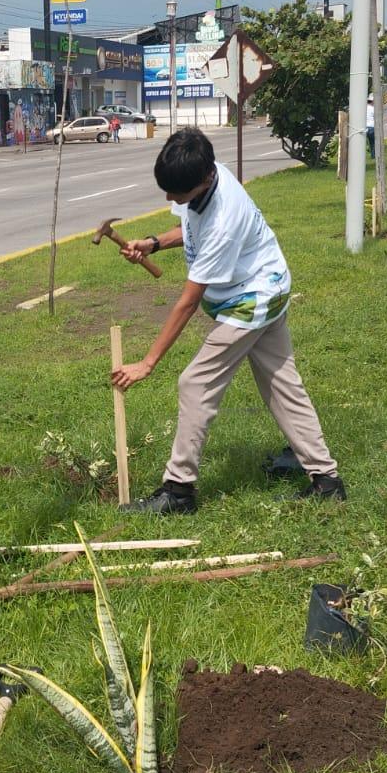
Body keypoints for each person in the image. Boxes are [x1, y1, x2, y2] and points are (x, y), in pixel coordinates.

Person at [110, 127, 345, 514]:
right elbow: (188, 229)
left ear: (203, 181)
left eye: (177, 194)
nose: (170, 199)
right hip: (270, 285)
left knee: (194, 382)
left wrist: (147, 363)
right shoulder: (202, 174)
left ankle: (178, 491)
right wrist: (151, 243)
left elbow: (187, 302)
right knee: (283, 385)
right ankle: (327, 480)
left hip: (252, 301)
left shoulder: (225, 218)